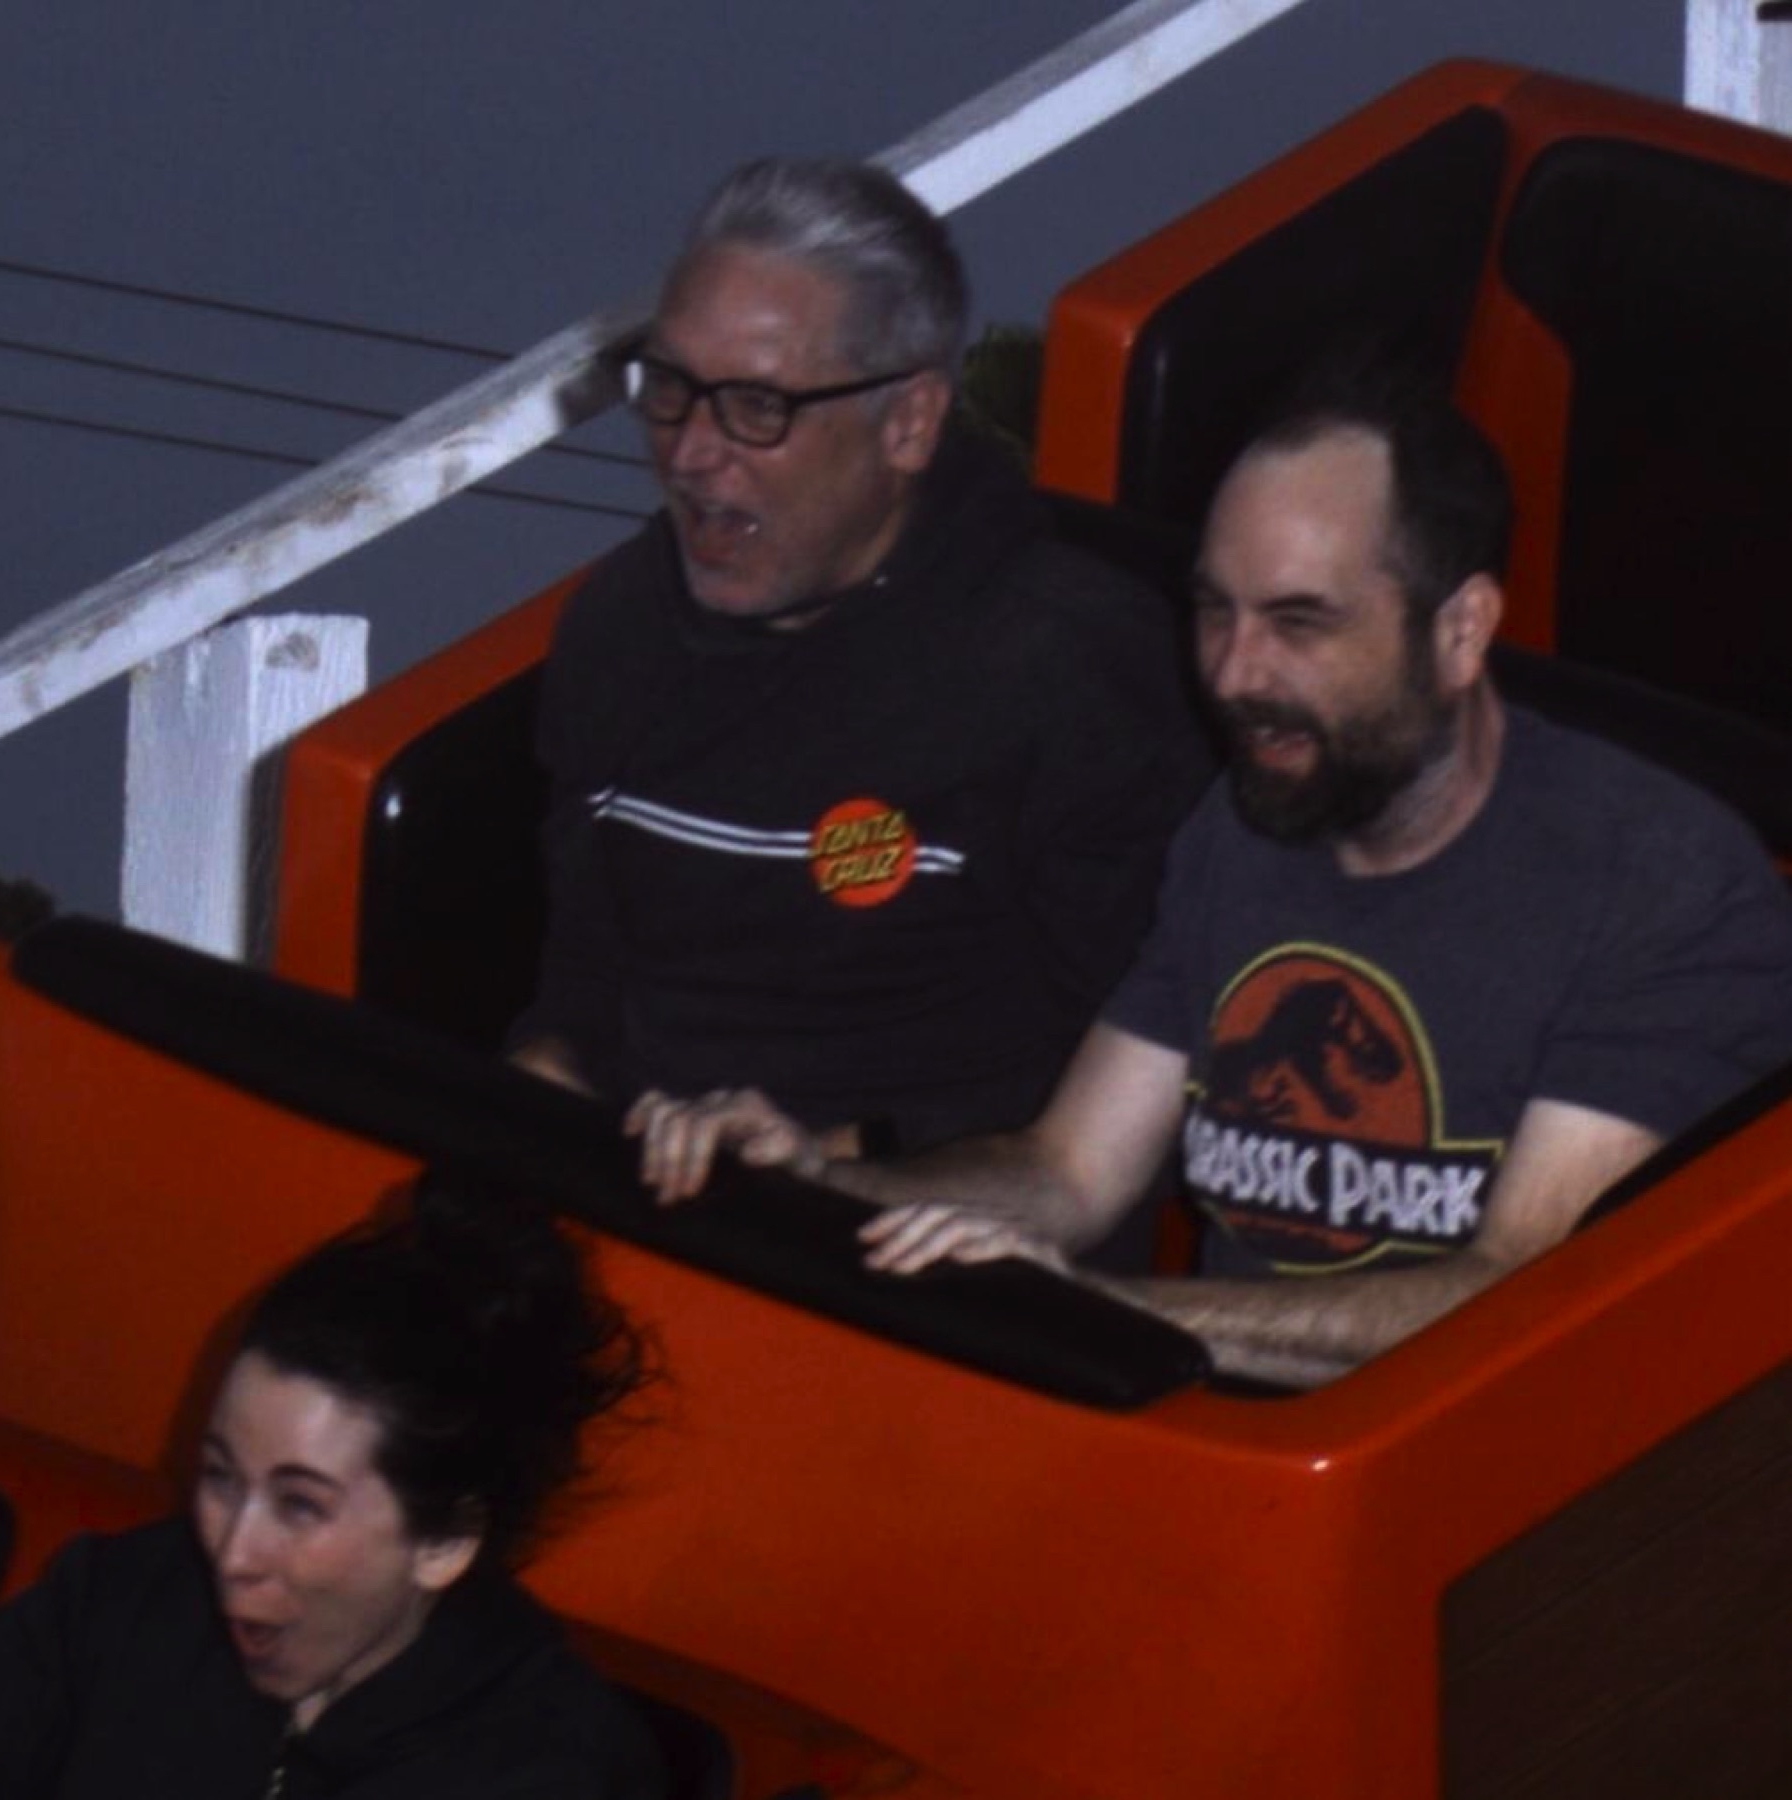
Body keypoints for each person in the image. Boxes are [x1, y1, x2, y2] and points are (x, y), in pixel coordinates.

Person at [624, 354, 1792, 1388]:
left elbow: (1518, 1303)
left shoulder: (1662, 883)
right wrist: (801, 1185)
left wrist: (1102, 1307)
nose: (1234, 674)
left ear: (1460, 629)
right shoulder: (1237, 832)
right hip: (1219, 1451)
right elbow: (1068, 1173)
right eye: (1213, 613)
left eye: (1299, 623)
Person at [509, 157, 1207, 1202]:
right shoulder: (619, 626)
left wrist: (830, 1160)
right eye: (668, 389)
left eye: (754, 406)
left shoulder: (1070, 667)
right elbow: (575, 998)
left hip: (932, 1243)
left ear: (910, 424)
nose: (692, 455)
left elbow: (1145, 1070)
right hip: (633, 1207)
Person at [0, 1178, 666, 1798]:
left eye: (300, 1506)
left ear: (445, 1540)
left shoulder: (544, 1768)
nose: (233, 1553)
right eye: (222, 1477)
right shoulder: (118, 1601)